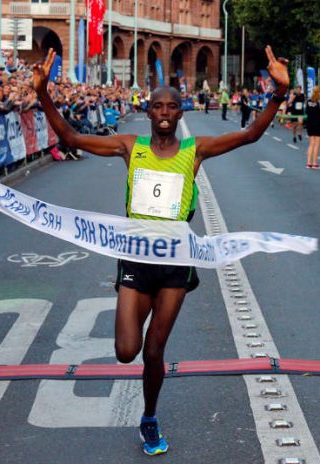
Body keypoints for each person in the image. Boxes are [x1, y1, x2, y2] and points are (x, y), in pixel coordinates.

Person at [32, 46, 289, 457]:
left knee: (154, 351)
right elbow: (70, 137)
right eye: (157, 106)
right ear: (148, 112)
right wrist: (42, 93)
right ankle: (146, 400)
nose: (165, 112)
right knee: (125, 351)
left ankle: (149, 418)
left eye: (172, 106)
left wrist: (278, 93)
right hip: (135, 259)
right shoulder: (129, 147)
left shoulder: (195, 150)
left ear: (181, 112)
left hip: (174, 265)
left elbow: (249, 134)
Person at [305, 85, 320, 169]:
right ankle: (315, 163)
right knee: (317, 144)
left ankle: (308, 163)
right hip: (318, 123)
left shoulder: (308, 101)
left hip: (310, 123)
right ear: (319, 92)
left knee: (311, 143)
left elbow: (306, 111)